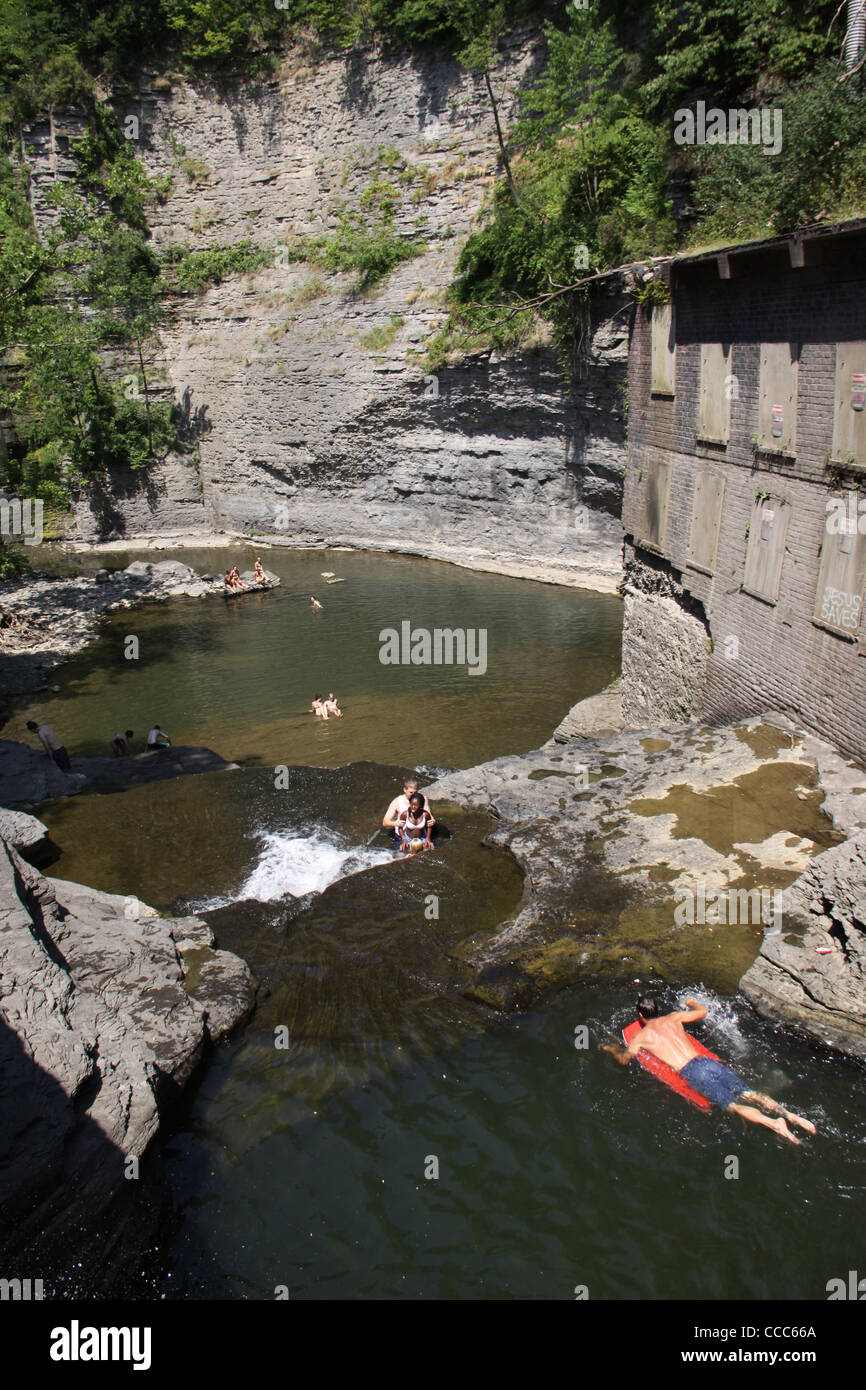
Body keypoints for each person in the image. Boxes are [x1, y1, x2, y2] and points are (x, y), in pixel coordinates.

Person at [602, 994, 817, 1145]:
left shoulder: (640, 1038)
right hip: (705, 1061)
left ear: (640, 1015)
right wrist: (692, 1001)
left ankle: (775, 1124)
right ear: (658, 1009)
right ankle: (789, 1114)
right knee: (749, 1093)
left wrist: (612, 1050)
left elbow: (624, 1060)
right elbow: (702, 1011)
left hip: (691, 1072)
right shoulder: (674, 1017)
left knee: (732, 1106)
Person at [383, 777, 435, 848]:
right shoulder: (397, 802)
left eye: (415, 792)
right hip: (402, 837)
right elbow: (385, 822)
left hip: (420, 835)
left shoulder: (422, 799)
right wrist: (395, 823)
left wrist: (433, 821)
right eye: (411, 792)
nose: (413, 794)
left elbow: (429, 816)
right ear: (405, 790)